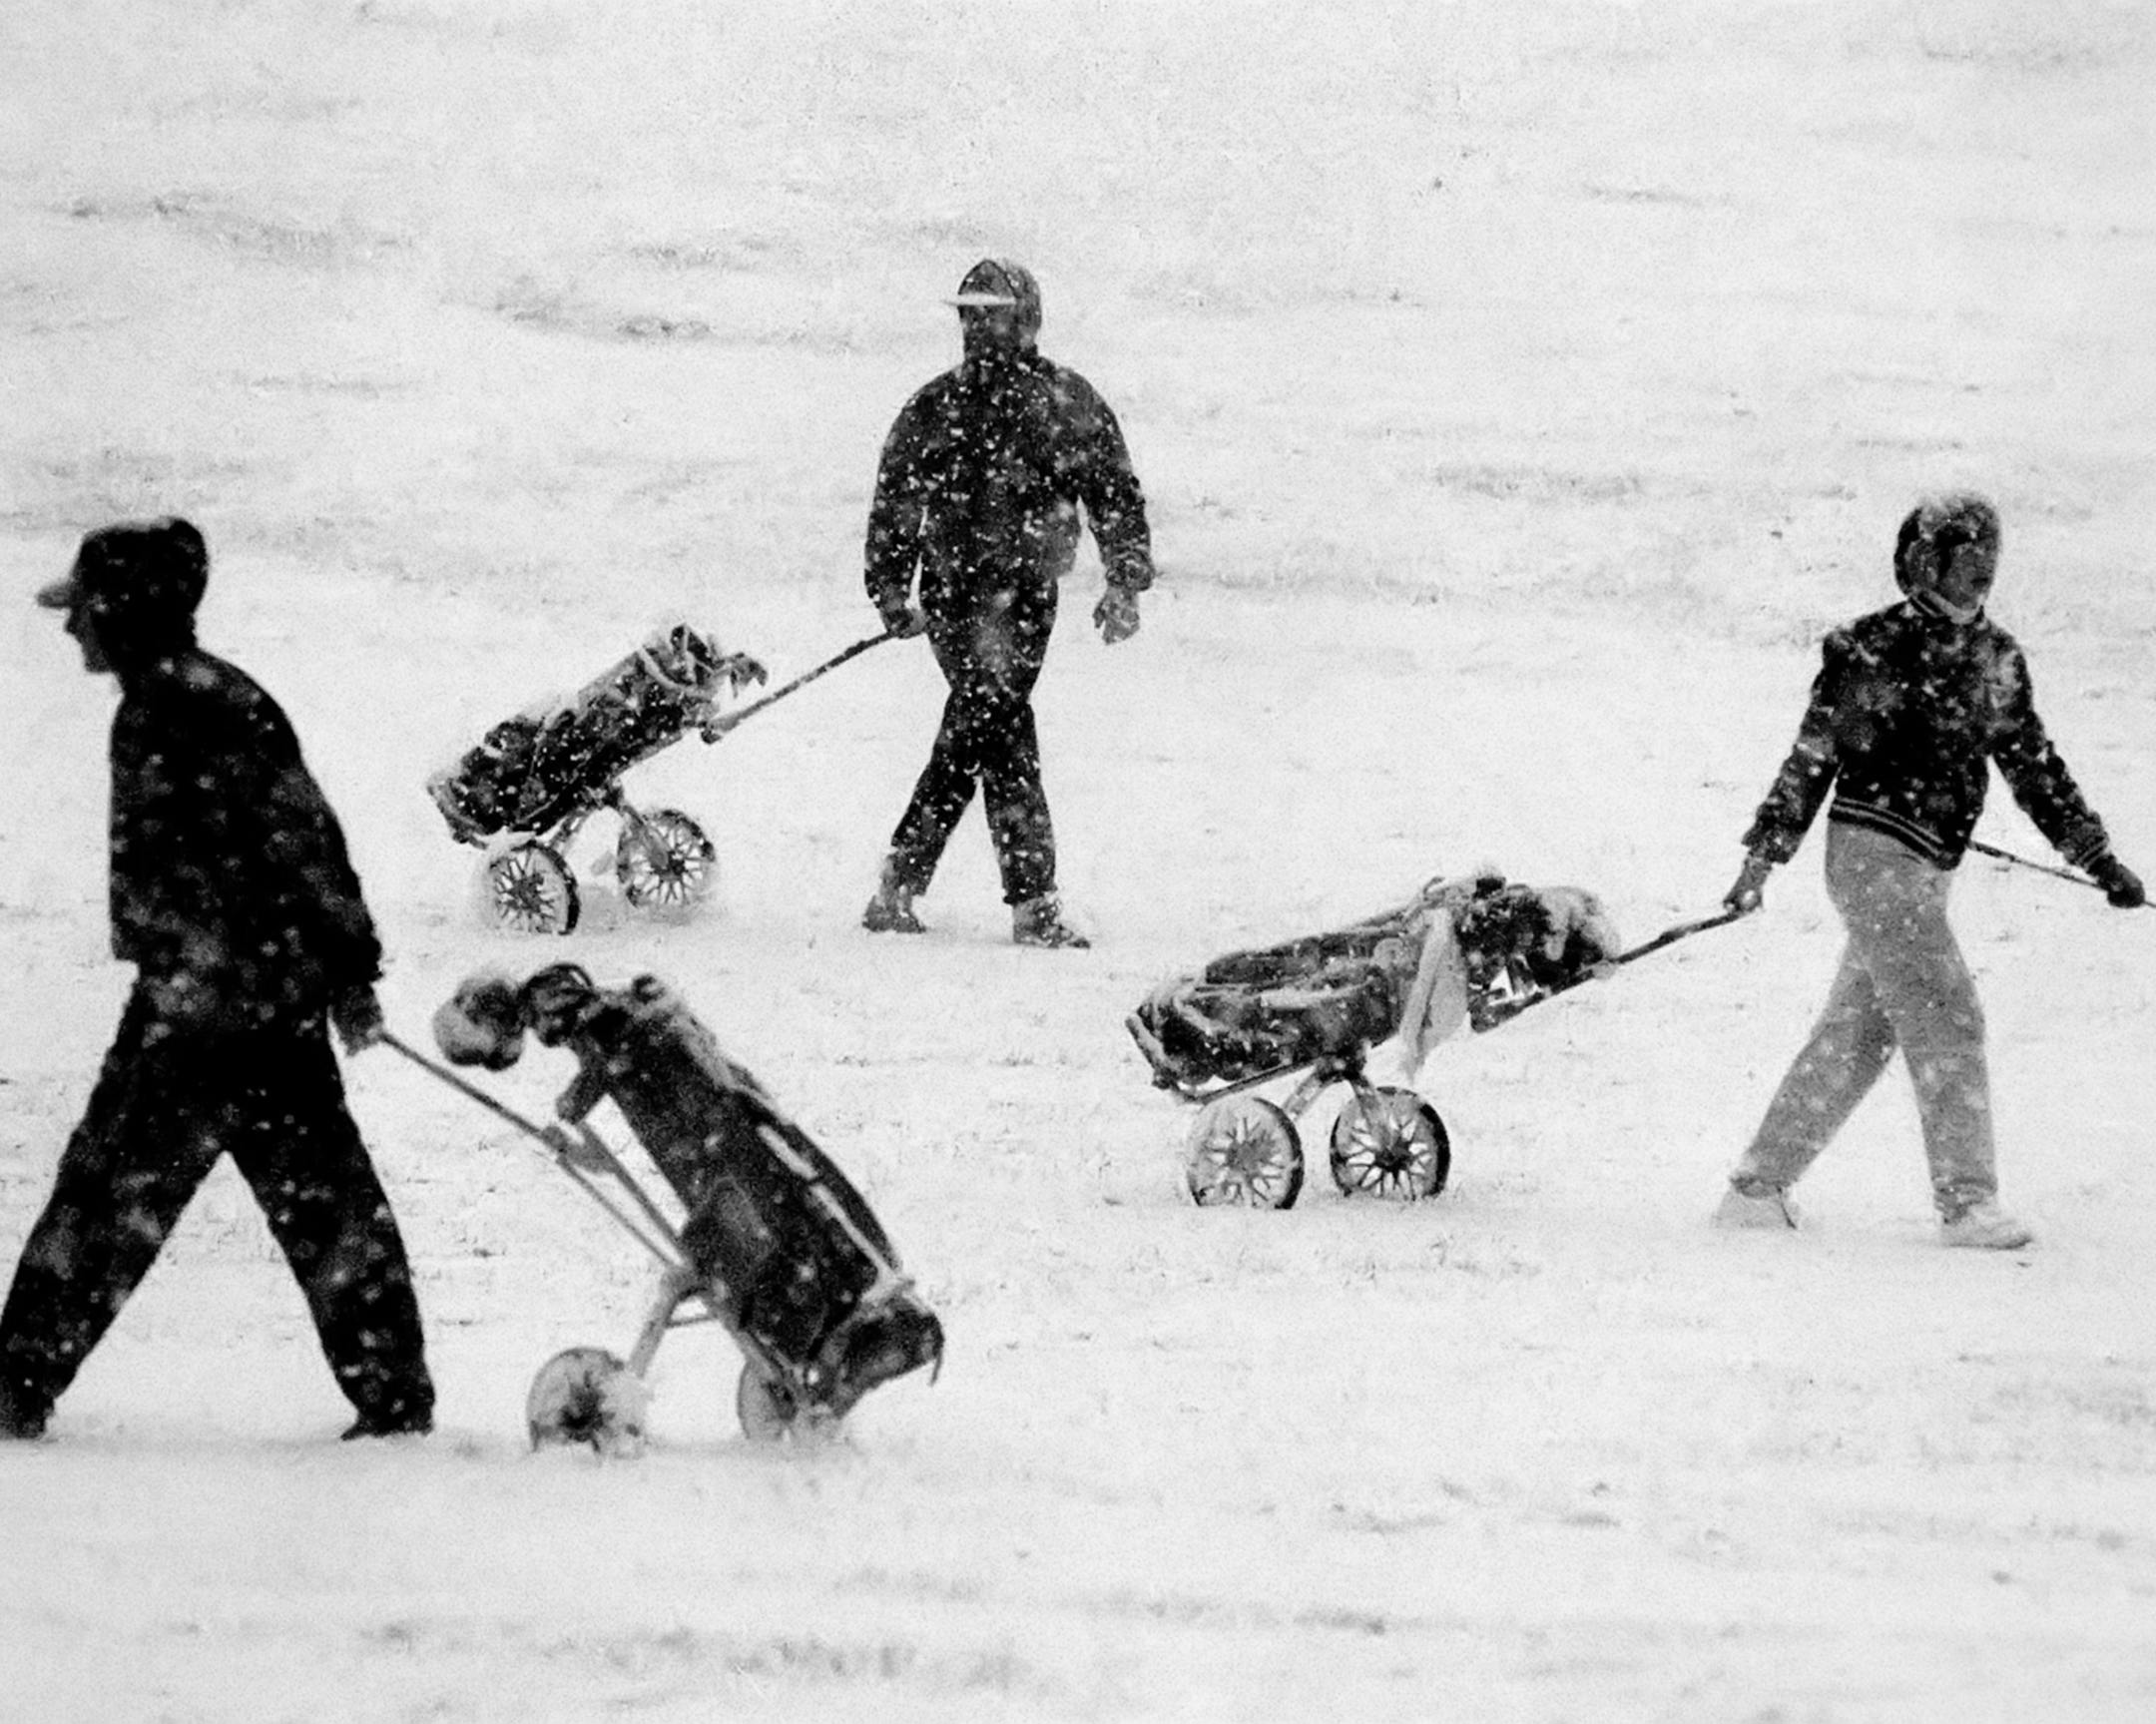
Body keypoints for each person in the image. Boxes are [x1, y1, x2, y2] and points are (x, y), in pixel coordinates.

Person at [0, 519, 434, 1440]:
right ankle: (394, 1398)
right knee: (327, 1203)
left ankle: (13, 1386)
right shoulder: (203, 695)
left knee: (107, 1197)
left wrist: (345, 967)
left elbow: (300, 836)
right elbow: (307, 838)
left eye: (82, 610)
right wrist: (341, 968)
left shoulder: (175, 706)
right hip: (264, 1002)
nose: (70, 628)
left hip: (204, 1010)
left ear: (124, 611)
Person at [1715, 493, 2145, 1250]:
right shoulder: (1869, 648)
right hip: (1871, 855)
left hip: (1928, 868)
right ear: (1924, 559)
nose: (1982, 570)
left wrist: (2097, 856)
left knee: (1861, 1030)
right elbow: (1814, 755)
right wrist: (1763, 855)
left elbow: (2034, 767)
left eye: (1990, 557)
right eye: (1966, 555)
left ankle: (1758, 1188)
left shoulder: (1998, 660)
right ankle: (1968, 1202)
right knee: (1948, 1012)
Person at [432, 965, 943, 1430]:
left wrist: (581, 1097)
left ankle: (829, 1339)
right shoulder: (578, 1011)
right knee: (761, 1227)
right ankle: (823, 1344)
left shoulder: (557, 1003)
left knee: (752, 1235)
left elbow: (621, 1038)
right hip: (704, 1122)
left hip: (701, 1126)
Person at [859, 258, 1156, 949]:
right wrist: (891, 593)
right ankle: (1033, 903)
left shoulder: (1066, 402)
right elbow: (896, 504)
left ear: (1026, 318)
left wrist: (1124, 580)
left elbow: (1113, 492)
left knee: (979, 729)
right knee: (999, 720)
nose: (977, 326)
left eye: (991, 312)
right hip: (955, 599)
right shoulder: (935, 407)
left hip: (1027, 601)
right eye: (969, 312)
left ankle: (899, 883)